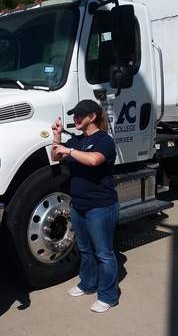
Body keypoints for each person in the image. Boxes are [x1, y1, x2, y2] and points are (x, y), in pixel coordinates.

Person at [51, 100, 119, 313]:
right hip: (78, 205)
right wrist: (57, 136)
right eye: (74, 115)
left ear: (92, 116)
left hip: (100, 206)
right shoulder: (76, 141)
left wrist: (69, 151)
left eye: (80, 115)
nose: (75, 119)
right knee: (85, 250)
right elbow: (55, 157)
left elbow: (93, 161)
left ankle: (108, 296)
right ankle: (88, 284)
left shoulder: (104, 141)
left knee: (104, 253)